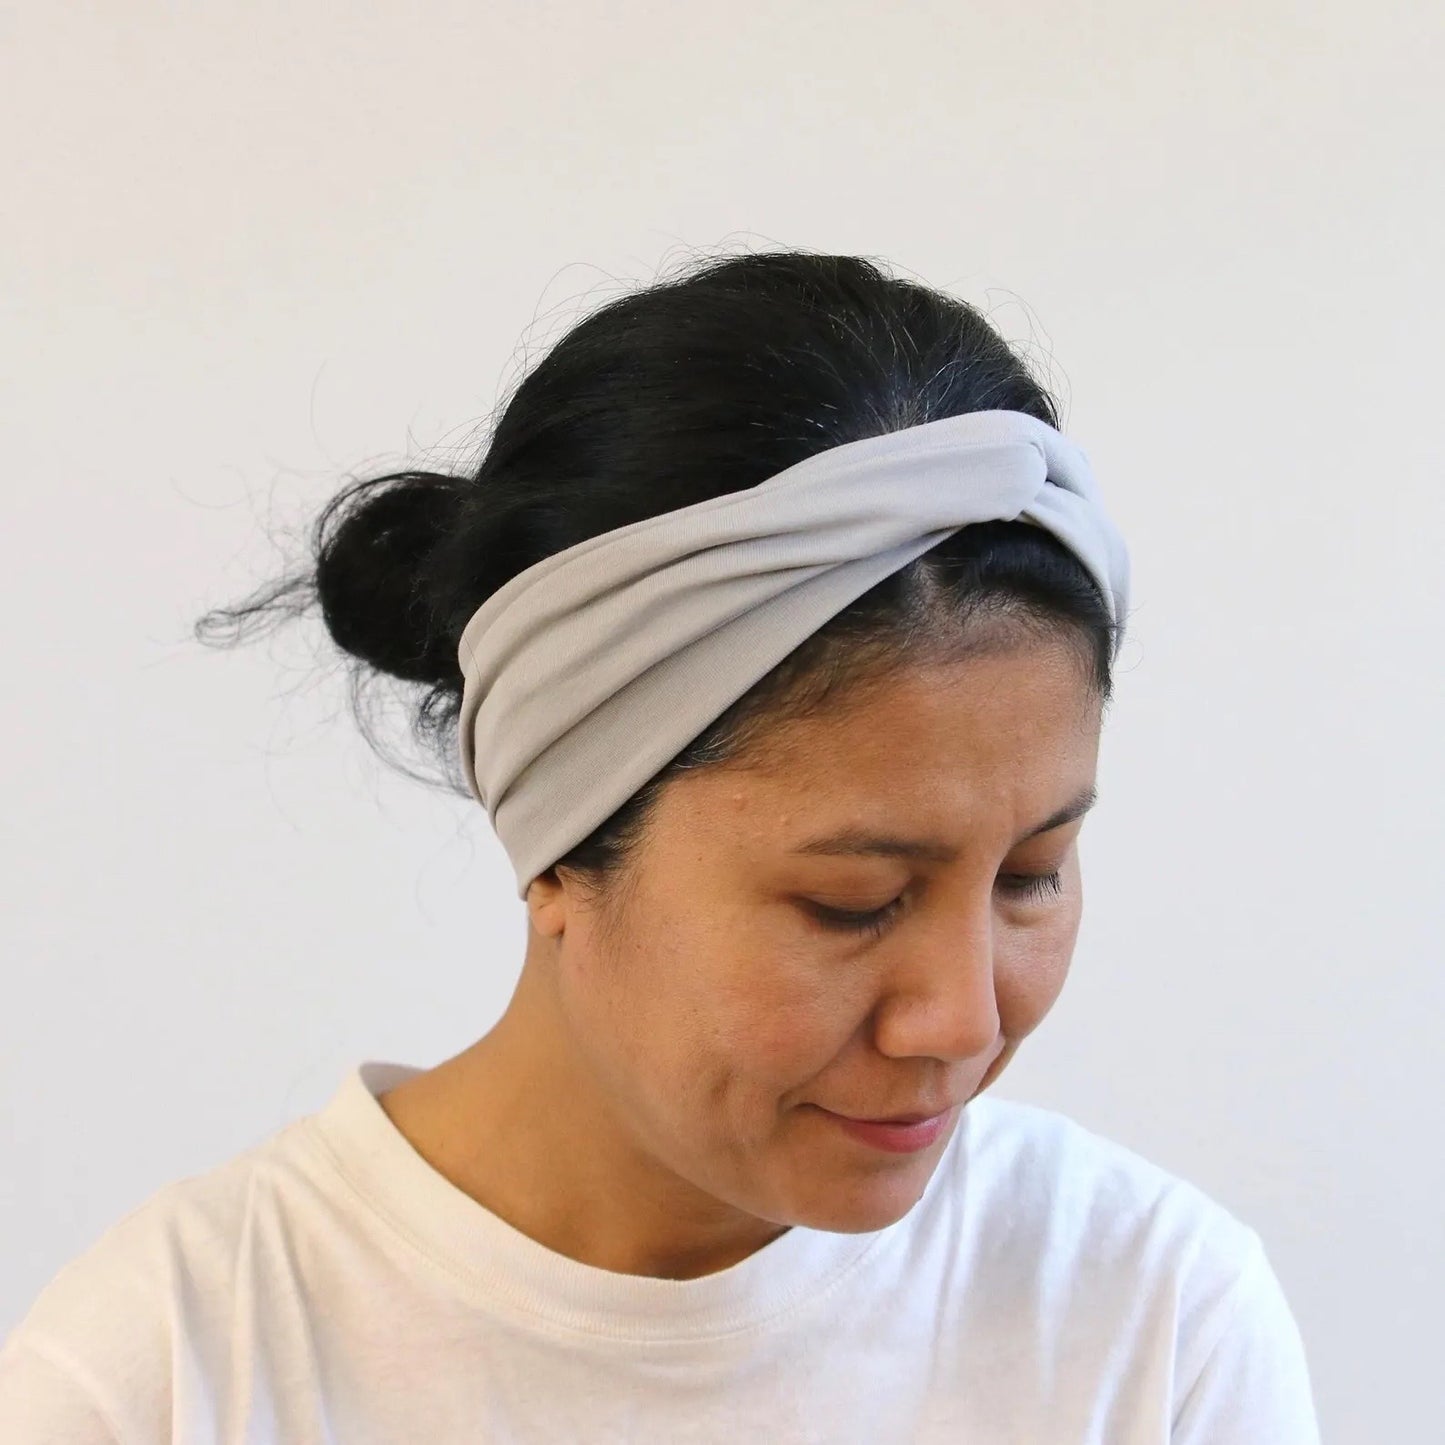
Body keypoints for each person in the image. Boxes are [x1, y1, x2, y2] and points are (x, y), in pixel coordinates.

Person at [0, 249, 1321, 1442]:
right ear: (562, 849)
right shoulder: (171, 1371)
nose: (961, 1018)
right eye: (852, 902)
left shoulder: (1148, 1323)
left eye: (1030, 874)